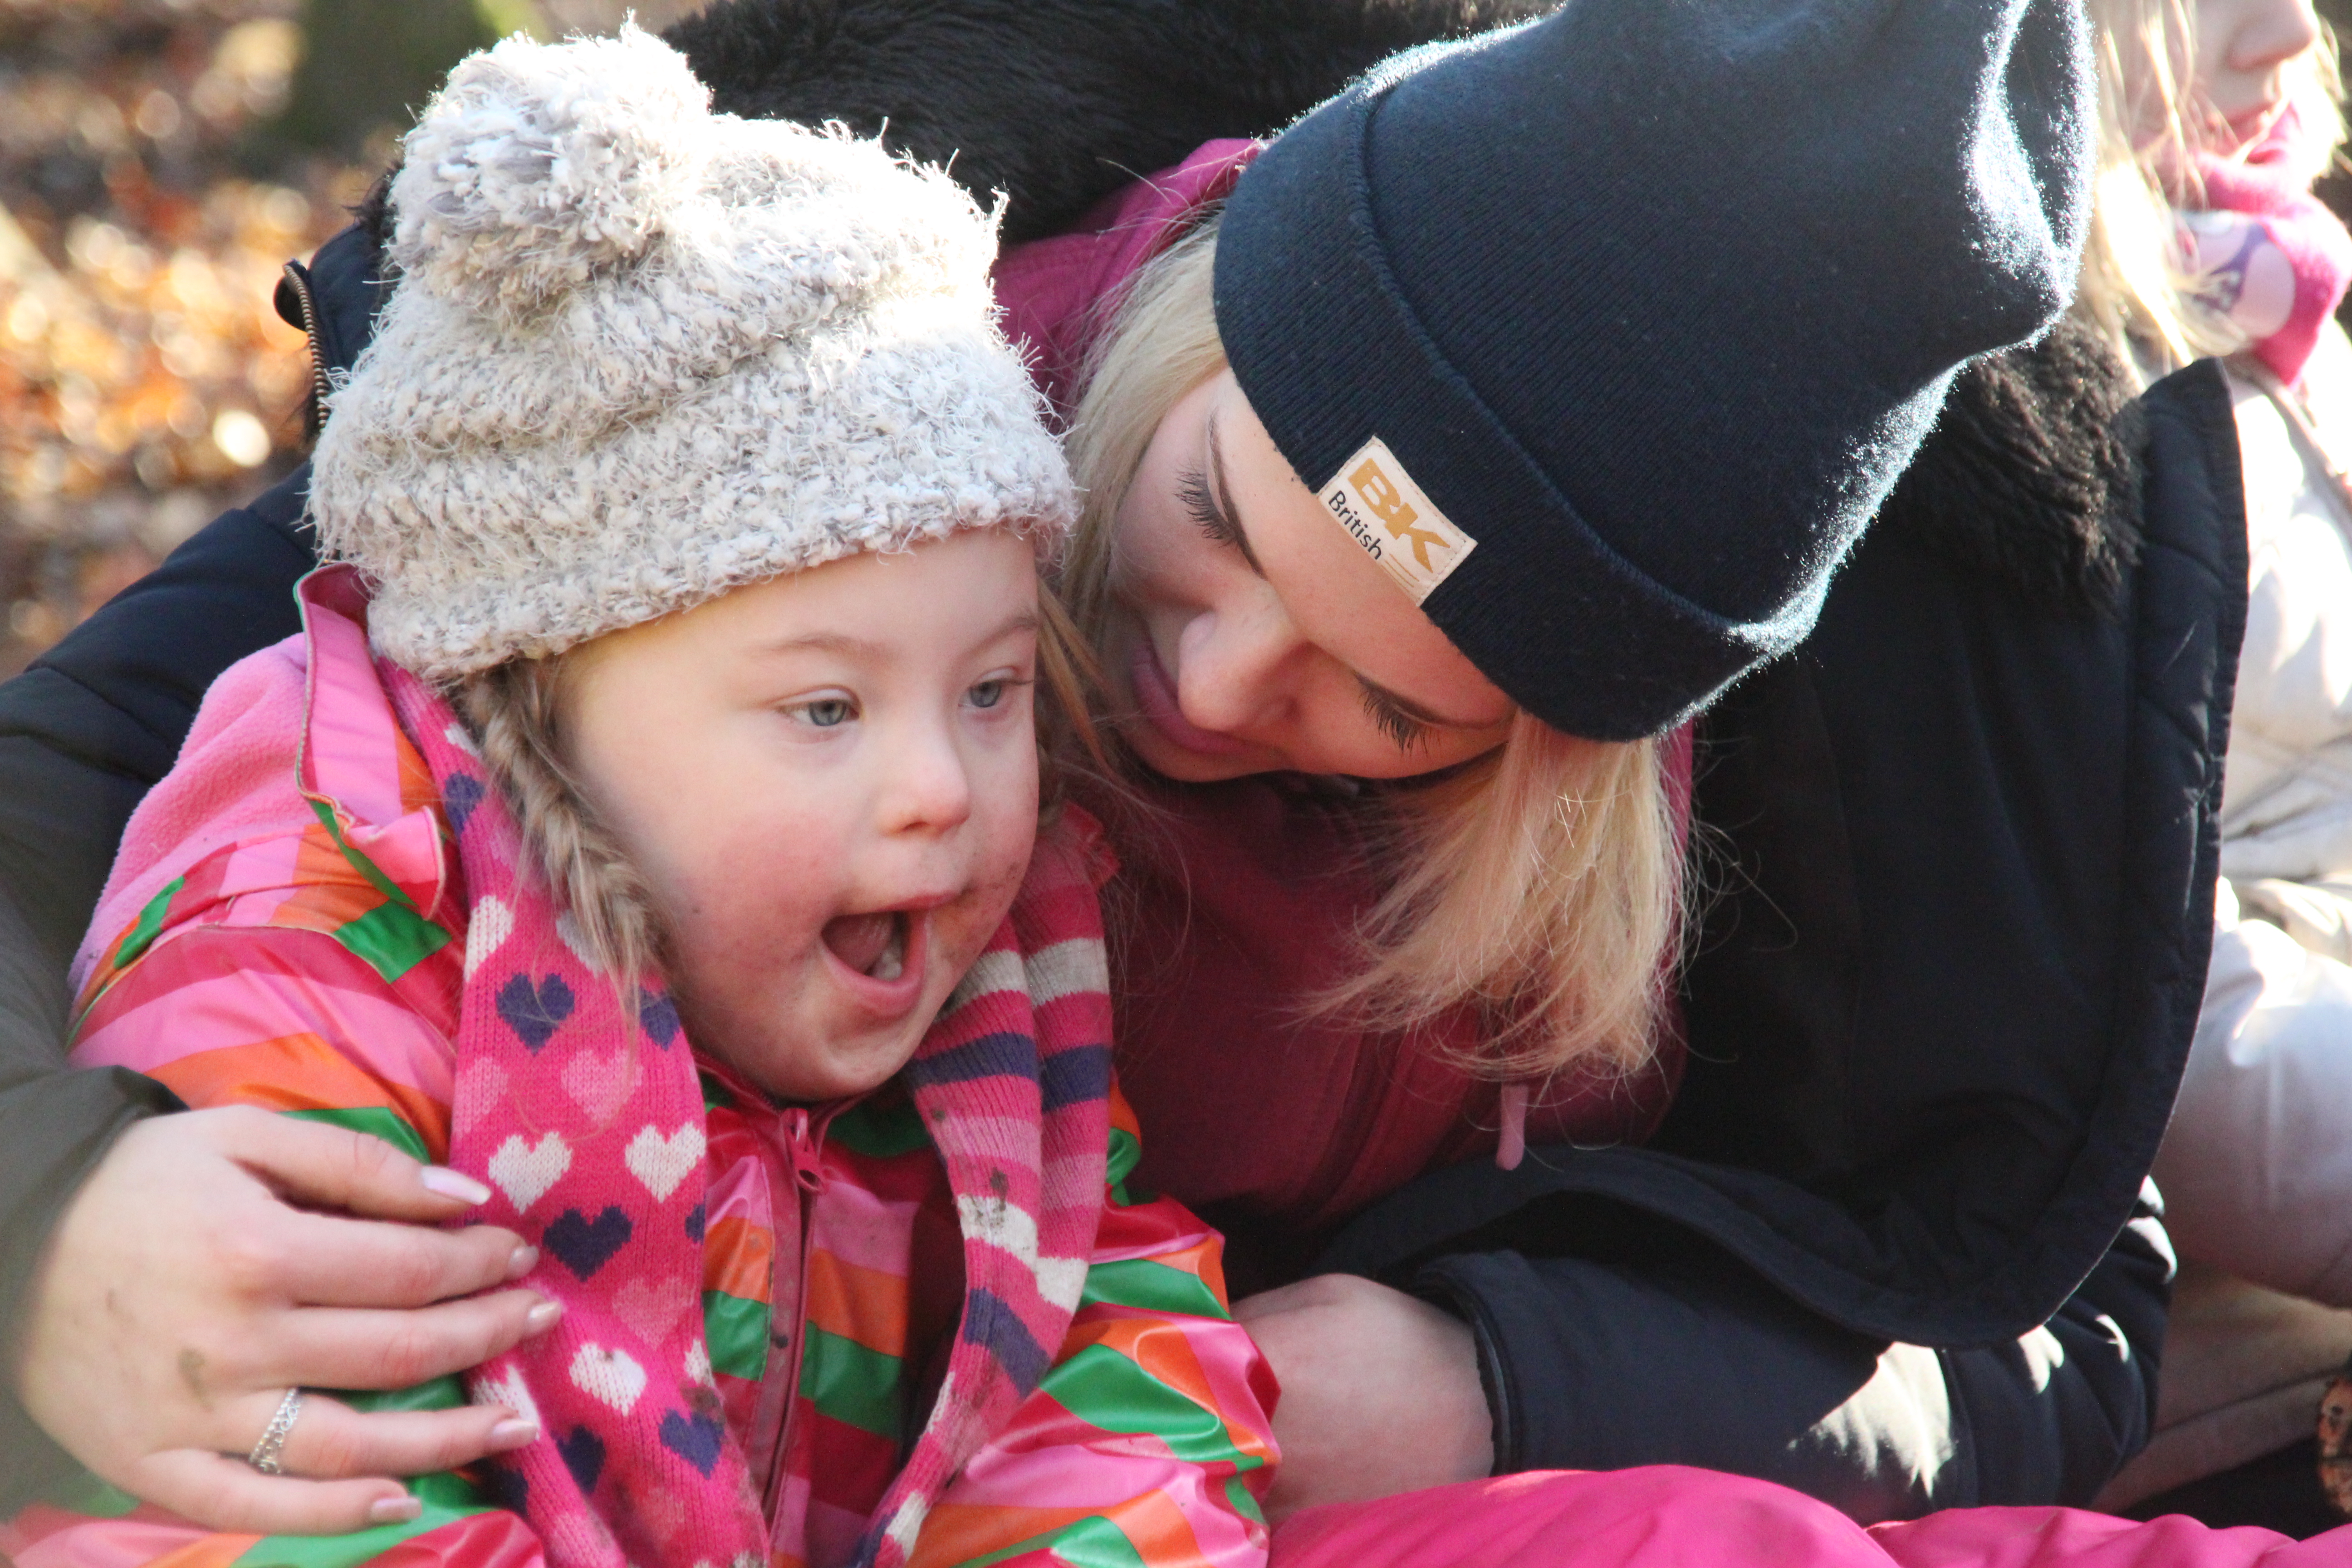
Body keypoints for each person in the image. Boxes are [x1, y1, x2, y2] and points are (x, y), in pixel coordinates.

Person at [0, 0, 2249, 1533]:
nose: (1206, 684)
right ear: (1191, 316)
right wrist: (47, 1218)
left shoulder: (1806, 844)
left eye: (1390, 708)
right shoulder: (743, 417)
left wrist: (1511, 1371)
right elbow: (88, 774)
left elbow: (2034, 1280)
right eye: (1209, 521)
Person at [2, 30, 1282, 1562]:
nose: (943, 787)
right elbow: (297, 1505)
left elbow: (1110, 1354)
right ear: (531, 702)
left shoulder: (997, 997)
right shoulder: (321, 946)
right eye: (826, 707)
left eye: (993, 691)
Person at [2053, 0, 2352, 1514]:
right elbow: (2160, 1015)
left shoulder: (2266, 282)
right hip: (2210, 1359)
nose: (2291, 35)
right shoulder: (2046, 390)